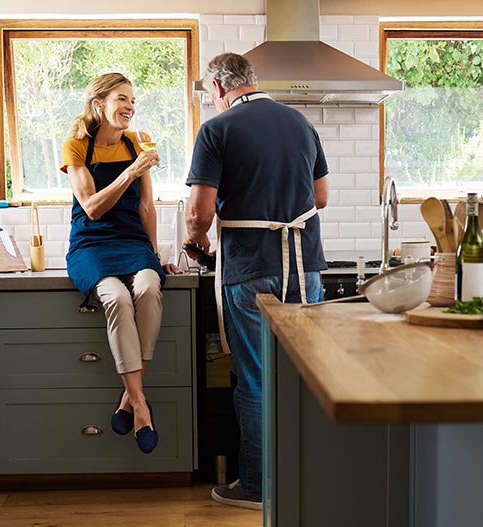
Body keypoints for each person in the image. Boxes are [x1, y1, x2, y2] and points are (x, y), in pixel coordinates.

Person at [184, 53, 329, 509]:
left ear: (219, 87)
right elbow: (320, 197)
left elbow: (199, 213)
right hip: (305, 268)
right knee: (304, 378)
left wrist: (196, 241)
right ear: (252, 80)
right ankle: (305, 479)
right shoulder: (300, 123)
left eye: (210, 95)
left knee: (255, 379)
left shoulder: (217, 129)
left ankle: (258, 486)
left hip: (251, 269)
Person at [61, 72, 180, 455]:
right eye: (121, 99)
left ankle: (129, 398)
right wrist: (133, 170)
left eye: (132, 100)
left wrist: (156, 253)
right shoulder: (76, 146)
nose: (130, 107)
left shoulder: (139, 141)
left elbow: (146, 206)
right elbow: (92, 208)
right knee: (115, 297)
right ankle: (141, 405)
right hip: (91, 244)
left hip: (133, 242)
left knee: (148, 286)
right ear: (99, 105)